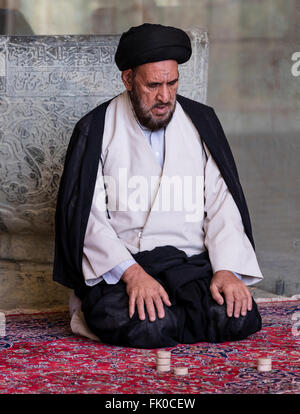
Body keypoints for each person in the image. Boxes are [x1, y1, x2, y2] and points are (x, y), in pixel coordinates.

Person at [53, 23, 263, 348]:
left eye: (172, 82)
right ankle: (176, 317)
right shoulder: (96, 128)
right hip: (127, 267)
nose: (165, 96)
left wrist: (226, 270)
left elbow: (223, 204)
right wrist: (133, 274)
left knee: (237, 316)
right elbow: (89, 220)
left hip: (189, 265)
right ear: (128, 79)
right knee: (151, 326)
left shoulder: (200, 121)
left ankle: (178, 314)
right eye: (153, 85)